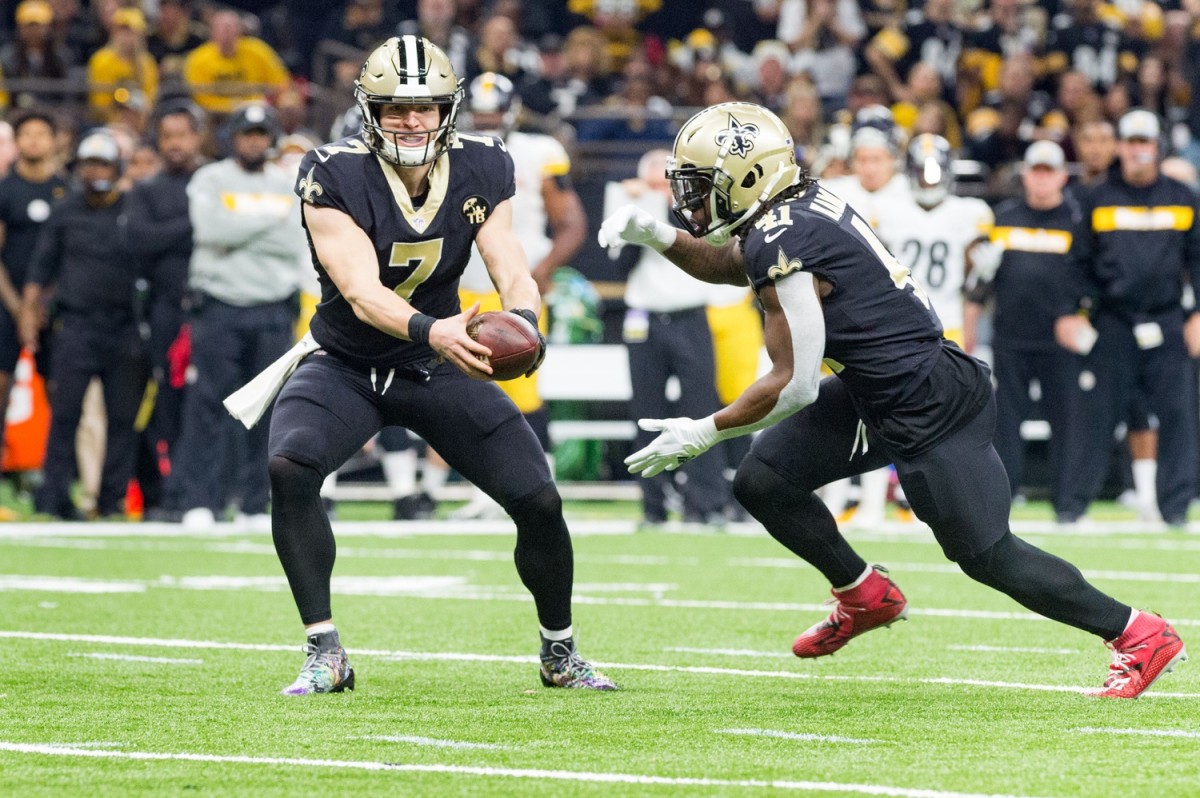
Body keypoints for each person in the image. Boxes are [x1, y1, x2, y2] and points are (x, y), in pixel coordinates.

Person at [598, 100, 1186, 699]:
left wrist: (705, 431)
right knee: (763, 480)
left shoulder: (785, 234)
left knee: (989, 556)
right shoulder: (789, 210)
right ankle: (863, 595)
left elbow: (795, 383)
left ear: (749, 177)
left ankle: (1139, 633)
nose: (691, 201)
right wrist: (657, 235)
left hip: (932, 405)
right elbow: (737, 262)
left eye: (703, 187)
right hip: (878, 390)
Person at [228, 36, 615, 695]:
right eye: (396, 108)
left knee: (539, 499)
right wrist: (436, 330)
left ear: (448, 109)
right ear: (369, 111)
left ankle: (560, 653)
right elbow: (360, 290)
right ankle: (325, 651)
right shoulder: (332, 172)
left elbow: (509, 263)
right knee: (289, 465)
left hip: (433, 366)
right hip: (347, 361)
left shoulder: (483, 168)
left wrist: (524, 317)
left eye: (426, 107)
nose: (412, 121)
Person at [450, 71, 587, 519]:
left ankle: (538, 483)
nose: (488, 122)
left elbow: (571, 223)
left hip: (514, 286)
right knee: (466, 396)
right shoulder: (448, 153)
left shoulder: (538, 152)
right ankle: (485, 490)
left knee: (522, 387)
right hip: (463, 287)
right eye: (481, 114)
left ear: (512, 113)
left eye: (495, 113)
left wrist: (542, 271)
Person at [1054, 109, 1200, 529]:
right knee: (1095, 415)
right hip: (1113, 321)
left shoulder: (1183, 195)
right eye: (1132, 142)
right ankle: (1073, 507)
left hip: (1169, 318)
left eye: (1146, 143)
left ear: (1157, 147)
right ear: (1122, 147)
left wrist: (1196, 315)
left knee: (1178, 415)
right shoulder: (1096, 197)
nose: (1139, 151)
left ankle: (1176, 509)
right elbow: (1076, 263)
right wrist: (1069, 313)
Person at [169, 103, 306, 530]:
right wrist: (268, 222)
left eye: (261, 134)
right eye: (247, 133)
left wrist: (238, 228)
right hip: (219, 305)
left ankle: (252, 502)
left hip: (271, 306)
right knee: (207, 405)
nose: (254, 141)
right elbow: (210, 231)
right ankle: (200, 501)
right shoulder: (210, 178)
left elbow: (293, 239)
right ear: (233, 137)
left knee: (268, 410)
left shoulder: (286, 182)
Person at [20, 131, 148, 520]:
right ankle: (55, 498)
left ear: (118, 168)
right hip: (76, 326)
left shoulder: (134, 209)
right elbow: (40, 267)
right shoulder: (66, 211)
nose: (96, 172)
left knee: (123, 419)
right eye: (90, 164)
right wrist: (29, 314)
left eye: (104, 163)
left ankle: (111, 501)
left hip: (125, 327)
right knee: (65, 416)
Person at [604, 148, 732, 526]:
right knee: (646, 412)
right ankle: (653, 506)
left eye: (666, 184)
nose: (660, 191)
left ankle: (706, 504)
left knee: (702, 410)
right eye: (653, 183)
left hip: (690, 315)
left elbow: (709, 250)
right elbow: (621, 265)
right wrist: (638, 216)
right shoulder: (631, 213)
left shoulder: (696, 214)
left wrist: (662, 211)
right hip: (644, 320)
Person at [963, 140, 1082, 510]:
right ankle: (1006, 497)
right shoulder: (1004, 218)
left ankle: (1068, 505)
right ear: (1026, 174)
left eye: (1049, 171)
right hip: (1010, 337)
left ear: (1063, 176)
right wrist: (968, 335)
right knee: (1005, 423)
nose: (1042, 179)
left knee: (1067, 421)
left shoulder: (1078, 220)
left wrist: (1083, 318)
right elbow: (980, 282)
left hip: (1060, 340)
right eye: (1036, 171)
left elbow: (1091, 279)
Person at [120, 100, 206, 516]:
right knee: (169, 403)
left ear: (198, 136)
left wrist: (167, 234)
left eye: (182, 135)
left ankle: (209, 491)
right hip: (166, 310)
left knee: (209, 400)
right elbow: (138, 241)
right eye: (168, 136)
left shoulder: (214, 181)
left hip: (211, 308)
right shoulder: (147, 189)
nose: (175, 144)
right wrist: (195, 224)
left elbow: (154, 238)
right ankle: (173, 493)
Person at [0, 111, 66, 492]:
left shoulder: (65, 191)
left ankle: (57, 483)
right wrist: (17, 307)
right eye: (28, 134)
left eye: (43, 133)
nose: (35, 141)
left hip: (53, 307)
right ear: (18, 141)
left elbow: (69, 252)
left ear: (54, 139)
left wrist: (42, 304)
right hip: (7, 304)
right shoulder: (6, 189)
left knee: (61, 394)